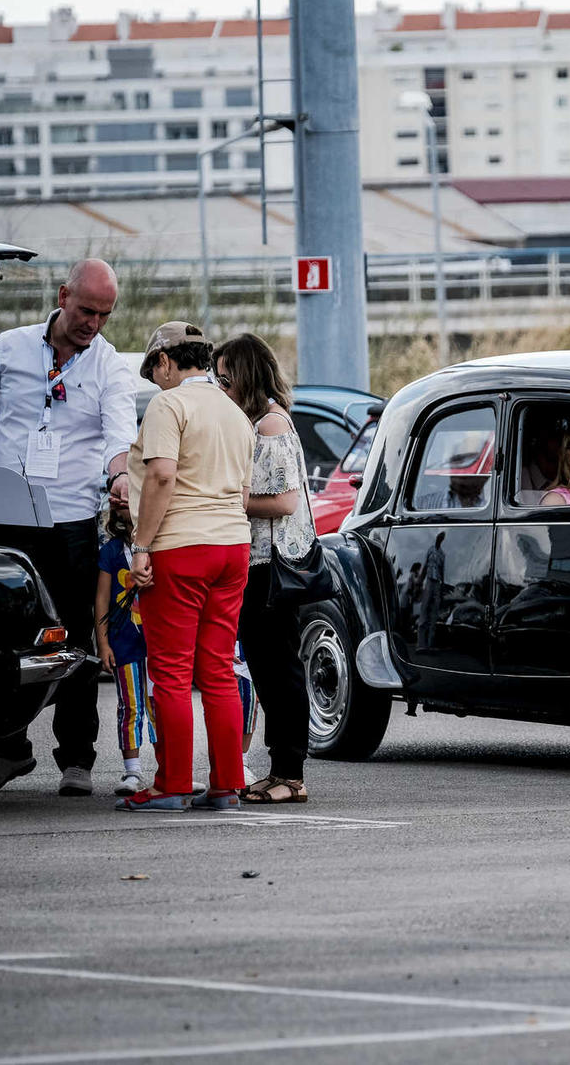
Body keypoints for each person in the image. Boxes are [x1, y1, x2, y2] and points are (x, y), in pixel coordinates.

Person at [0, 258, 138, 798]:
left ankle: (76, 758)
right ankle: (8, 751)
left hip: (70, 524)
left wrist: (121, 477)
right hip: (4, 519)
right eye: (85, 310)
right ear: (62, 295)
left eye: (104, 315)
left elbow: (119, 439)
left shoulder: (110, 368)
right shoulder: (8, 347)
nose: (93, 324)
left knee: (73, 640)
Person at [119, 322, 254, 812]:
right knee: (218, 669)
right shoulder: (235, 413)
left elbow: (161, 475)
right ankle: (225, 785)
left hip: (180, 547)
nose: (156, 381)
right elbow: (242, 493)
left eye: (155, 371)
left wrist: (141, 546)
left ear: (166, 361)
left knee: (171, 672)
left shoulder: (168, 405)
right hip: (232, 546)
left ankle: (172, 783)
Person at [214, 333, 317, 804]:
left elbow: (286, 500)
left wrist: (235, 499)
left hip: (271, 566)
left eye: (227, 379)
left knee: (279, 669)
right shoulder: (259, 422)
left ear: (247, 376)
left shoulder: (271, 426)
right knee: (267, 666)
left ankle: (290, 773)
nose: (222, 387)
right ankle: (281, 769)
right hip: (256, 563)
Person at [94, 508, 157, 796]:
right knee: (131, 706)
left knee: (160, 705)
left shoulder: (161, 545)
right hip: (123, 641)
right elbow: (102, 599)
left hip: (159, 641)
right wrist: (103, 643)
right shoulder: (111, 551)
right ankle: (132, 770)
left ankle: (168, 768)